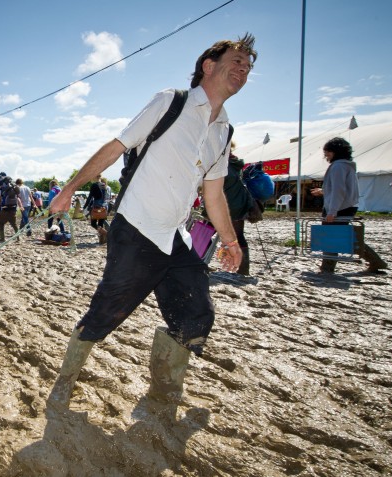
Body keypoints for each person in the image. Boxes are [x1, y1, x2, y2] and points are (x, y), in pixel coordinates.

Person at [46, 33, 255, 410]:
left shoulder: (224, 130)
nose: (243, 69)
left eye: (248, 66)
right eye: (236, 62)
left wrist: (231, 241)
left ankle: (164, 391)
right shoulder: (170, 102)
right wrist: (68, 189)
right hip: (137, 226)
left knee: (196, 314)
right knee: (107, 311)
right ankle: (65, 380)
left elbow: (214, 193)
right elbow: (115, 147)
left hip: (175, 236)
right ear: (209, 66)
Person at [310, 137, 387, 274]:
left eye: (327, 151)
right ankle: (376, 261)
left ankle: (327, 268)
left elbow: (339, 190)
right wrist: (323, 191)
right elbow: (339, 188)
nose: (325, 155)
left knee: (332, 237)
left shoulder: (338, 166)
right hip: (346, 205)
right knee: (343, 236)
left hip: (340, 207)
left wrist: (332, 211)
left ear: (335, 151)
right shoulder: (346, 165)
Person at [220, 142, 255, 275]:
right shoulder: (235, 162)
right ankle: (243, 268)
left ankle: (241, 267)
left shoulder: (224, 163)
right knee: (238, 236)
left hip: (230, 205)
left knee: (205, 231)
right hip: (239, 204)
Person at [83, 174, 110, 245]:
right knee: (100, 224)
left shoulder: (94, 185)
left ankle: (107, 234)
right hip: (105, 207)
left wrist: (84, 207)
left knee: (93, 224)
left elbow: (90, 197)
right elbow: (108, 198)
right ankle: (102, 240)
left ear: (94, 177)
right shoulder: (107, 187)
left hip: (97, 207)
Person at [0, 175, 21, 242]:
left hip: (5, 209)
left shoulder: (2, 188)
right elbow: (18, 197)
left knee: (1, 223)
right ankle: (18, 237)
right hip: (13, 209)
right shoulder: (15, 188)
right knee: (14, 224)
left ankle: (2, 238)